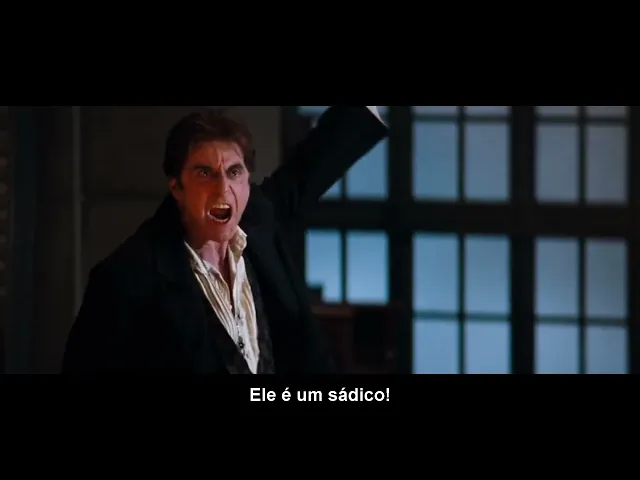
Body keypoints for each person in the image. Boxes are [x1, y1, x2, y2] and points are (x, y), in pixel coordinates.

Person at [62, 106, 388, 374]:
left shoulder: (257, 220)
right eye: (204, 173)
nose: (222, 190)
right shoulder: (124, 280)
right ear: (176, 187)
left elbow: (302, 176)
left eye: (234, 173)